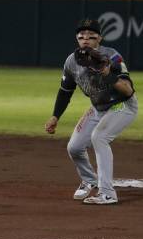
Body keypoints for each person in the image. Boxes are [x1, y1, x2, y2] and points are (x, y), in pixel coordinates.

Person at [44, 19, 137, 205]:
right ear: (77, 39)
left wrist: (107, 73)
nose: (85, 39)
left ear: (99, 38)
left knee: (99, 137)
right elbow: (65, 91)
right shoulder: (72, 61)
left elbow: (128, 91)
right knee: (74, 147)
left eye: (91, 36)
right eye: (81, 36)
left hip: (122, 105)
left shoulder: (112, 56)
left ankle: (107, 194)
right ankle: (89, 180)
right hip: (98, 108)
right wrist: (55, 116)